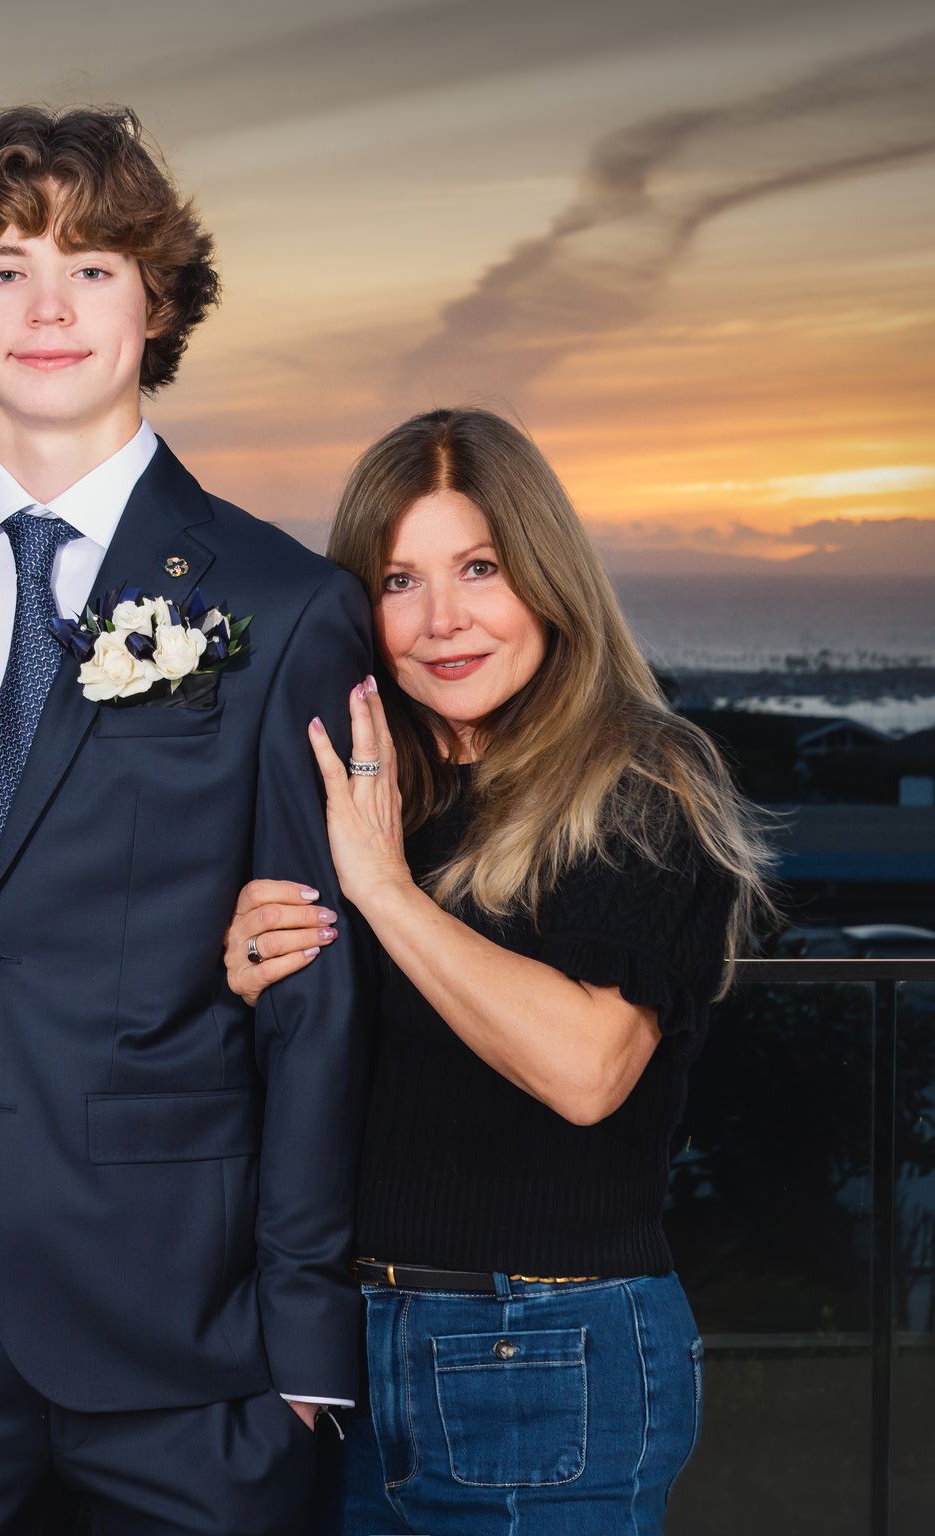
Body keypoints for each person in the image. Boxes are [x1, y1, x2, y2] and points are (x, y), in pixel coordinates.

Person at [0, 105, 373, 1534]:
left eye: (96, 265)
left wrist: (303, 1336)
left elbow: (315, 993)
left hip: (191, 1341)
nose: (47, 305)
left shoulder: (279, 602)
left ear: (157, 302)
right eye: (4, 267)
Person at [224, 407, 775, 1534]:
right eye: (398, 582)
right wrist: (241, 974)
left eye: (479, 569)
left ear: (545, 576)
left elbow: (583, 1068)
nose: (442, 621)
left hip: (546, 1352)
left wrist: (382, 892)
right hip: (343, 1355)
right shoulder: (377, 797)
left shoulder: (645, 778)